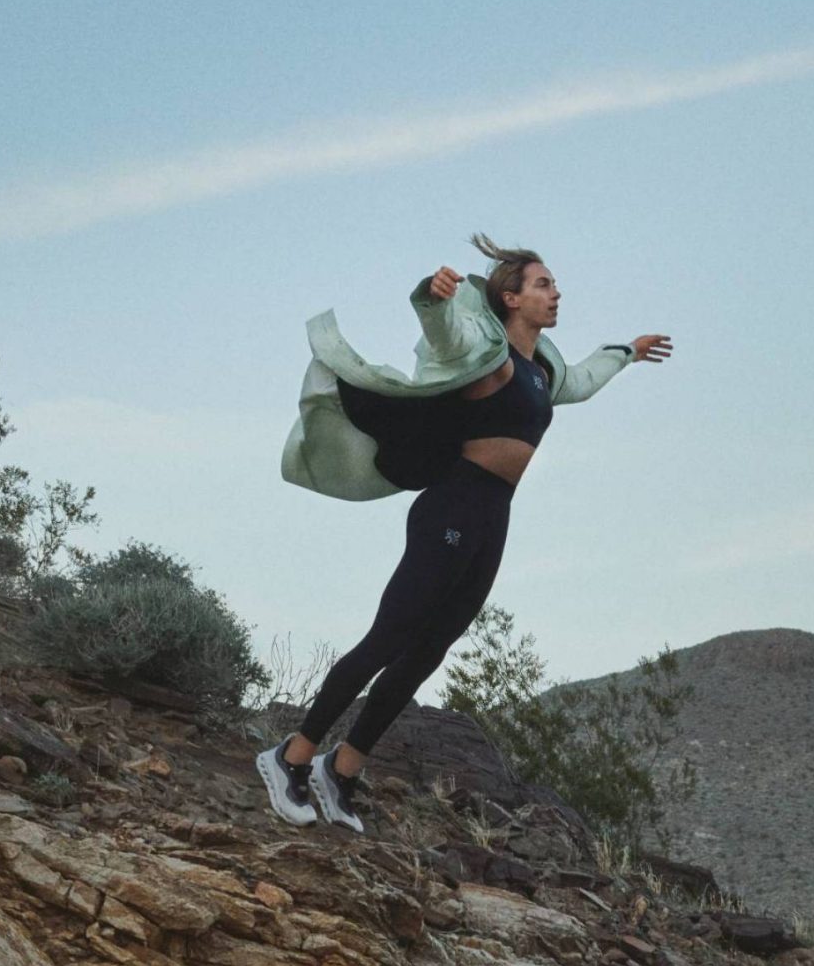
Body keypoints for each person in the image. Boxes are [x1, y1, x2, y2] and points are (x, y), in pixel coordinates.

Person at [258, 234, 674, 832]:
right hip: (451, 506)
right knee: (390, 637)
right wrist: (432, 299)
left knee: (430, 650)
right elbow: (445, 334)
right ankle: (290, 757)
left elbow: (581, 380)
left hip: (492, 516)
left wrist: (627, 352)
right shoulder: (488, 356)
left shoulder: (542, 372)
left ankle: (341, 771)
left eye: (554, 285)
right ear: (511, 298)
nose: (556, 293)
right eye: (544, 284)